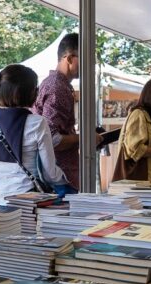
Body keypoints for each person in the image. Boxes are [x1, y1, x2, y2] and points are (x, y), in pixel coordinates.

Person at [0, 64, 68, 205]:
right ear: (31, 93)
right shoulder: (37, 123)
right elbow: (50, 173)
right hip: (25, 202)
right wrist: (67, 179)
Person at [32, 32, 101, 191]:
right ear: (69, 58)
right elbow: (52, 139)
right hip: (60, 177)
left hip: (58, 174)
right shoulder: (58, 88)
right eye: (85, 59)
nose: (89, 65)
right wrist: (85, 138)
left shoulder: (53, 84)